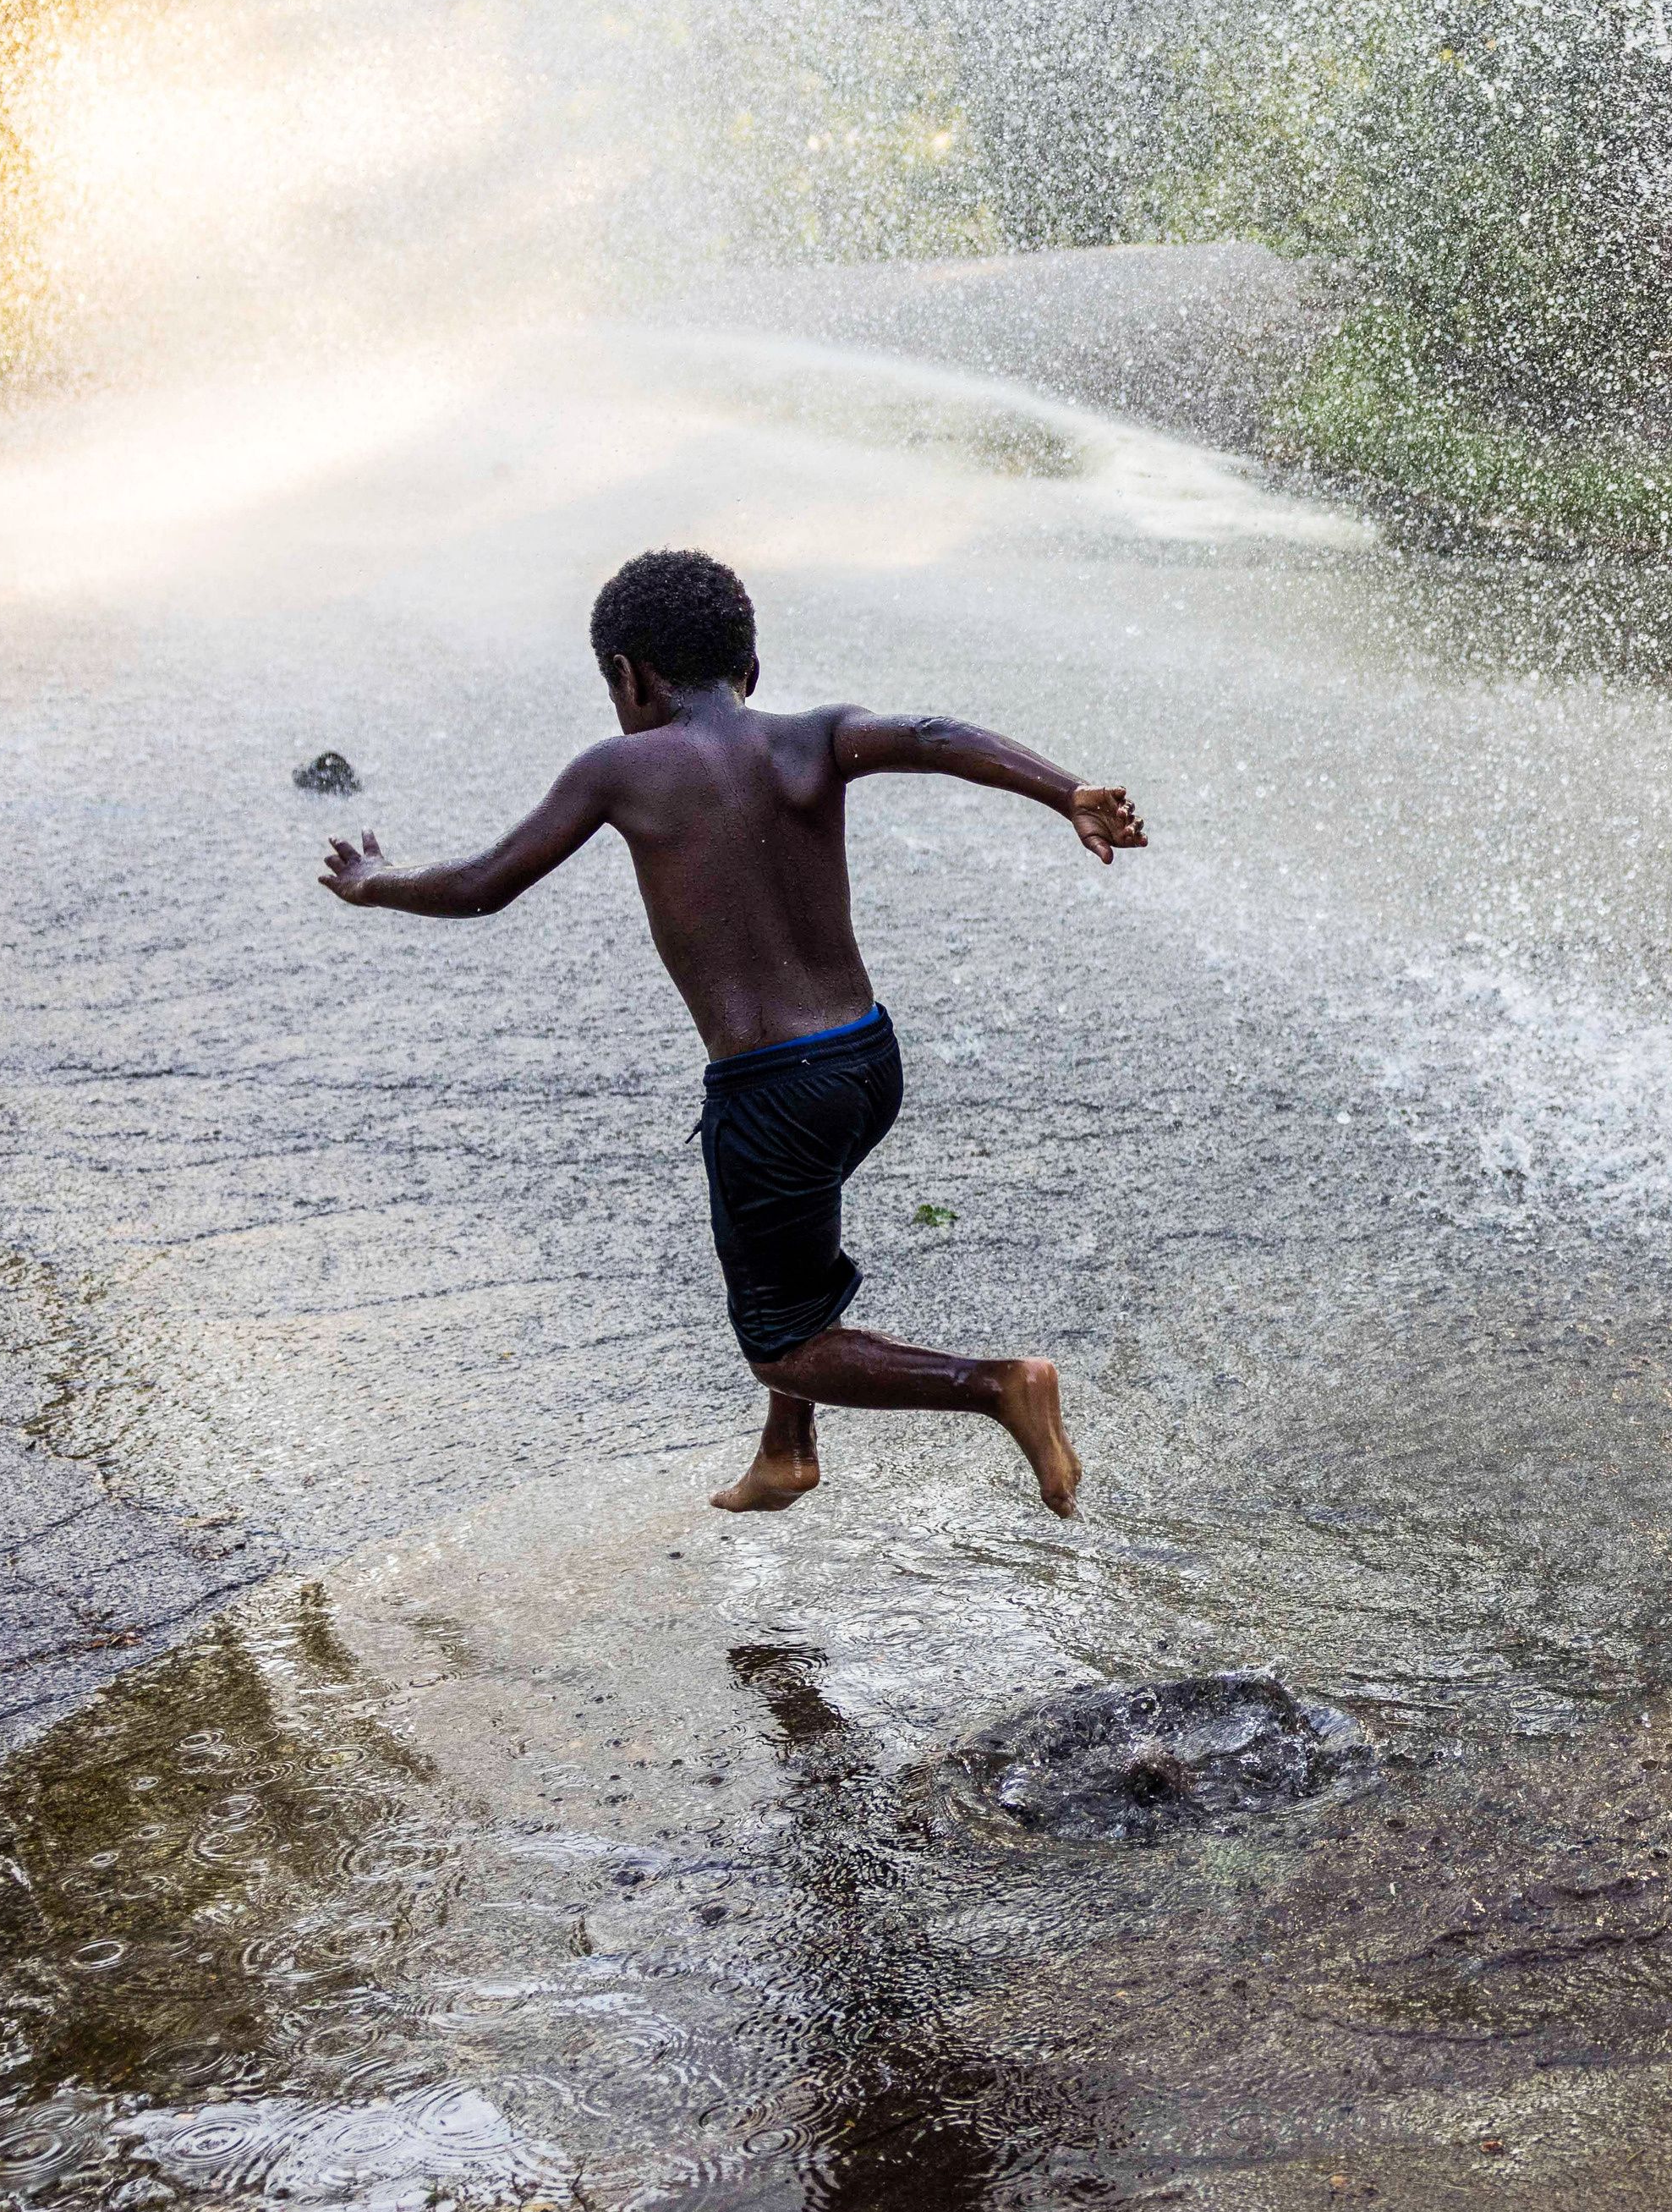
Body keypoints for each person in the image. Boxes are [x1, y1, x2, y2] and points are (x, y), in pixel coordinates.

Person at [320, 548, 1136, 1517]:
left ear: (630, 676)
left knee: (782, 1337)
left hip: (772, 1089)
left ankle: (997, 1385)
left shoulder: (619, 767)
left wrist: (378, 884)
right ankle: (784, 1449)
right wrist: (1063, 790)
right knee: (788, 1251)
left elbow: (481, 884)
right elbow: (930, 732)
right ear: (749, 670)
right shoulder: (818, 736)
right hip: (867, 1062)